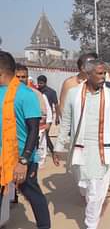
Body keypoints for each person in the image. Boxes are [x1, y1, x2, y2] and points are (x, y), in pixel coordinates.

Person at [54, 59, 110, 229]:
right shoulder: (74, 94)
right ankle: (94, 209)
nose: (103, 77)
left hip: (103, 148)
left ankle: (90, 224)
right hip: (80, 148)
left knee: (96, 189)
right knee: (84, 186)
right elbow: (66, 122)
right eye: (99, 74)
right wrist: (58, 147)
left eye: (104, 74)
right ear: (88, 74)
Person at [0, 51, 51, 229]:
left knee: (32, 193)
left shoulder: (25, 95)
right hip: (1, 157)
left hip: (20, 157)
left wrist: (23, 160)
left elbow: (33, 130)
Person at [16, 64, 53, 167]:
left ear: (27, 78)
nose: (20, 79)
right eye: (18, 77)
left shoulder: (34, 94)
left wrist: (48, 123)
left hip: (35, 132)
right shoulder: (9, 95)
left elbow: (47, 110)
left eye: (23, 77)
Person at [37, 75, 58, 156]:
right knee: (43, 135)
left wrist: (57, 118)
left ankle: (53, 151)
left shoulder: (51, 92)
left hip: (48, 117)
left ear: (45, 83)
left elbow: (56, 105)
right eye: (38, 83)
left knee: (45, 134)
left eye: (41, 83)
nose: (39, 85)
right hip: (39, 117)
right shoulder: (36, 91)